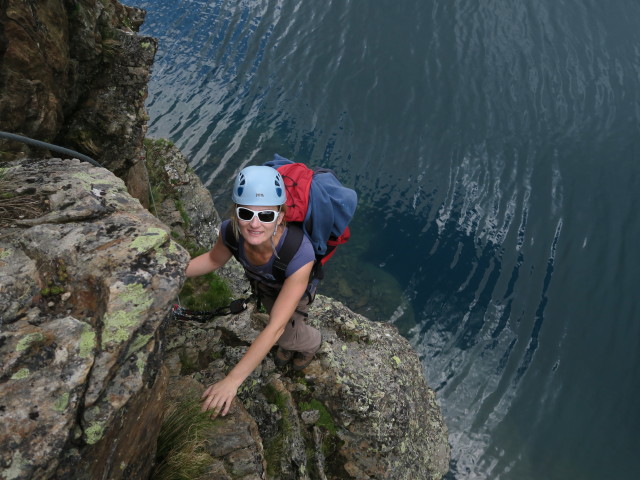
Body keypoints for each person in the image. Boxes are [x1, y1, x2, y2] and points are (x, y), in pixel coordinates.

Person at [185, 165, 322, 417]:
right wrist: (171, 270)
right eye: (246, 213)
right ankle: (291, 341)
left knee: (284, 334)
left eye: (266, 216)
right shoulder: (230, 231)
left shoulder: (299, 254)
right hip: (265, 286)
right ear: (236, 213)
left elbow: (274, 327)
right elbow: (213, 261)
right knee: (278, 326)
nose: (255, 224)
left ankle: (312, 343)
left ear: (280, 217)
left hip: (292, 289)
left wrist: (232, 380)